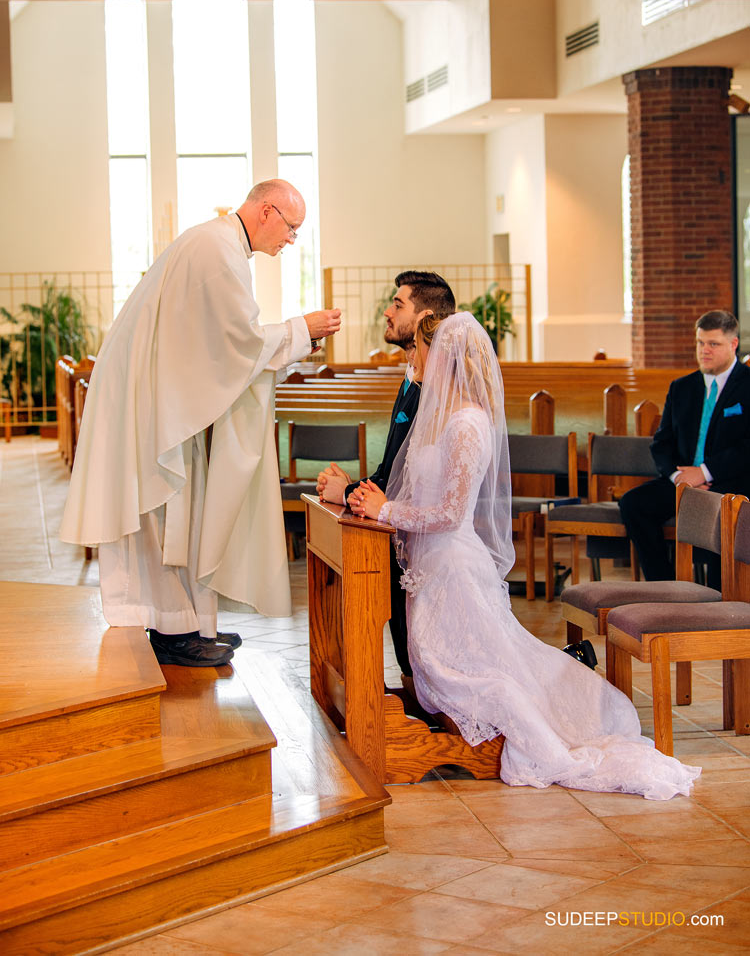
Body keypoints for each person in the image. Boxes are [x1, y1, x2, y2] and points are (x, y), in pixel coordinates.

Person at [350, 312, 700, 799]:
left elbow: (452, 514)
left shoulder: (468, 423)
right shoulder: (438, 417)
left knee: (456, 669)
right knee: (433, 665)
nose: (412, 358)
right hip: (433, 569)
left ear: (445, 356)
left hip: (454, 568)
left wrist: (385, 509)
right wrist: (376, 502)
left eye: (419, 350)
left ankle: (549, 728)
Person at [60, 179, 341, 667]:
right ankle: (172, 630)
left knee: (174, 513)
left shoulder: (220, 245)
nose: (290, 240)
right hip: (152, 403)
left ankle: (186, 623)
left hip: (162, 397)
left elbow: (223, 343)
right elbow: (238, 342)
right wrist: (301, 329)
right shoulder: (217, 249)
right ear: (267, 211)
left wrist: (295, 340)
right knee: (165, 509)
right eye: (291, 228)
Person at [316, 271, 456, 678]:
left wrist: (348, 493)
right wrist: (349, 490)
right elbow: (392, 470)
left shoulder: (441, 390)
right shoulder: (413, 376)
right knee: (412, 655)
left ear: (425, 316)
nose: (387, 311)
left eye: (398, 304)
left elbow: (416, 483)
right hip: (403, 537)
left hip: (431, 547)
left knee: (430, 657)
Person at [620, 310, 750, 589]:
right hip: (682, 482)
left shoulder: (748, 385)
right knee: (633, 504)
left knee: (719, 513)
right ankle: (665, 587)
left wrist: (703, 473)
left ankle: (720, 600)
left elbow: (747, 447)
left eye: (713, 344)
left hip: (732, 483)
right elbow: (662, 443)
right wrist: (678, 478)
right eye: (700, 343)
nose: (704, 351)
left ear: (733, 344)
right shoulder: (682, 387)